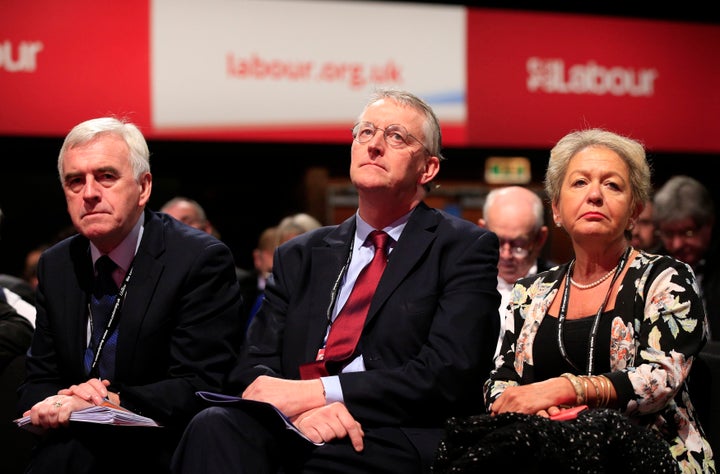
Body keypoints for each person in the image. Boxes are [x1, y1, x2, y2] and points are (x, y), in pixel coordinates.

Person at [171, 88, 501, 474]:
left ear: (428, 169)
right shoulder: (300, 254)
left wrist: (319, 394)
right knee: (212, 426)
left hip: (393, 430)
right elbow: (253, 366)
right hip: (295, 423)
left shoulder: (462, 247)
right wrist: (296, 414)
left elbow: (448, 372)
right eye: (365, 132)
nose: (374, 145)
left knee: (323, 463)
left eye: (396, 136)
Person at [17, 117, 244, 473]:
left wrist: (105, 401)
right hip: (73, 439)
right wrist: (60, 400)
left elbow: (202, 383)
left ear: (143, 187)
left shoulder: (198, 259)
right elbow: (38, 379)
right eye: (75, 181)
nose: (89, 193)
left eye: (106, 176)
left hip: (159, 442)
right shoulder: (56, 264)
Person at [481, 129, 713, 470]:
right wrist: (540, 409)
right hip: (543, 449)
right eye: (579, 183)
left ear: (634, 211)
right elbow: (500, 380)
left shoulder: (666, 277)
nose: (594, 195)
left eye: (612, 185)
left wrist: (564, 390)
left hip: (649, 454)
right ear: (557, 209)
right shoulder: (529, 292)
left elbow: (660, 379)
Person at [478, 186, 555, 356]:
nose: (506, 255)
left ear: (540, 238)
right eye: (496, 242)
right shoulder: (463, 280)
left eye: (518, 245)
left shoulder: (559, 285)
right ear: (482, 229)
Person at [653, 175, 719, 340]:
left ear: (709, 224)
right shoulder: (652, 269)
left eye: (687, 232)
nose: (677, 245)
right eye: (668, 233)